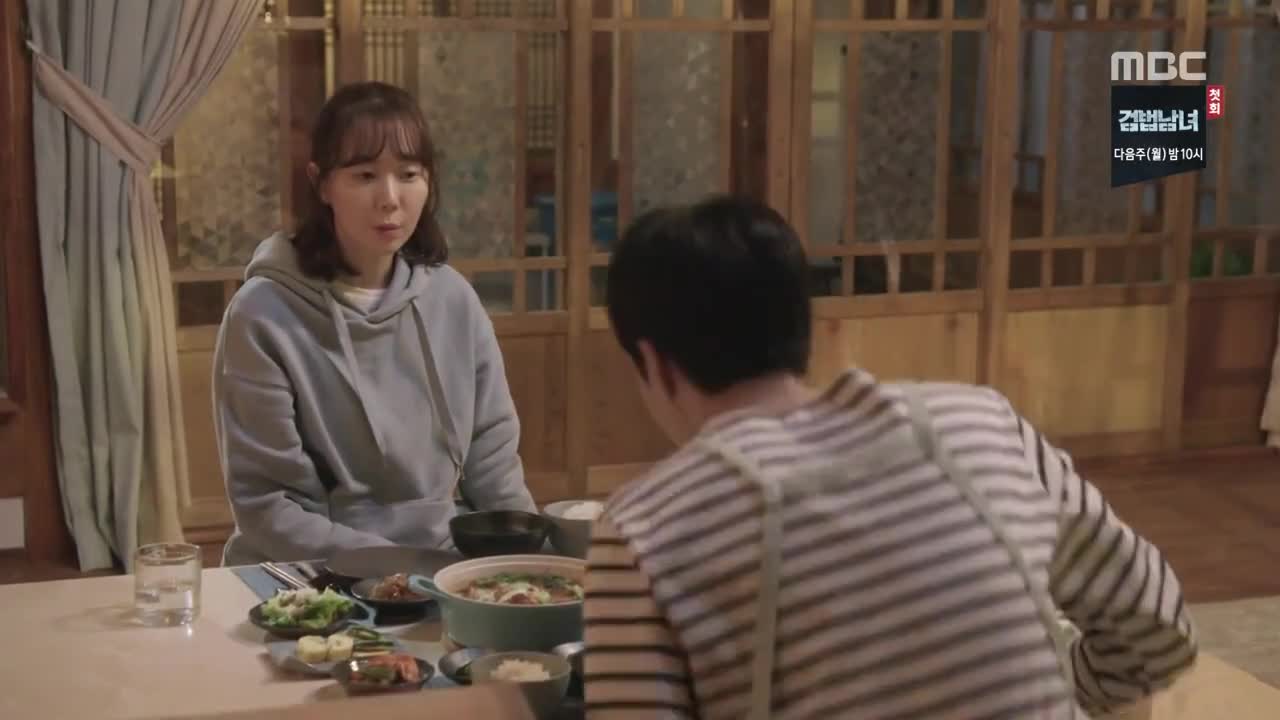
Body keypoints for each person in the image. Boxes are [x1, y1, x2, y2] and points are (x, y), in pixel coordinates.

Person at [582, 194, 1197, 719]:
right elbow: (1158, 632)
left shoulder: (645, 530)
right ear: (804, 324)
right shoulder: (983, 424)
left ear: (655, 364)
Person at [213, 81, 536, 565]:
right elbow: (268, 505)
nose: (389, 198)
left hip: (440, 563)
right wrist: (399, 567)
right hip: (308, 571)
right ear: (322, 183)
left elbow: (494, 465)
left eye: (408, 174)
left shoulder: (453, 300)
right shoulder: (263, 314)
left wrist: (530, 561)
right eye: (365, 175)